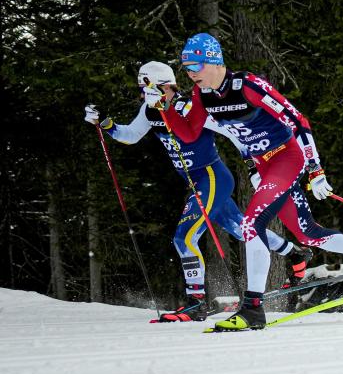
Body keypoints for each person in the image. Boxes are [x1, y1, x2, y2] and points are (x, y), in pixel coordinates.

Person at [160, 33, 343, 331]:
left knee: (252, 225)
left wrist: (315, 168)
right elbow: (189, 133)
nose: (190, 73)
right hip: (265, 166)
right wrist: (165, 106)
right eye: (186, 68)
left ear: (214, 62)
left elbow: (298, 120)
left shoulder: (248, 86)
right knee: (307, 234)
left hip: (286, 158)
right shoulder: (203, 95)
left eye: (195, 66)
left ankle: (253, 309)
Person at [84, 61, 309, 322]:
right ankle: (295, 252)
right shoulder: (149, 111)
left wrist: (252, 162)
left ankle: (196, 303)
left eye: (146, 87)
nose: (143, 94)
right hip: (197, 182)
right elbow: (131, 135)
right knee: (239, 229)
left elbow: (232, 131)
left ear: (164, 86)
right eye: (141, 88)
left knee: (185, 237)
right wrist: (105, 123)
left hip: (213, 178)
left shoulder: (187, 107)